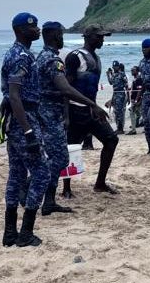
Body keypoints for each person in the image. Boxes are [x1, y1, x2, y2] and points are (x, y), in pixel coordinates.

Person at [36, 21, 109, 215]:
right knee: (59, 156)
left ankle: (49, 200)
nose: (63, 38)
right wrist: (88, 107)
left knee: (60, 156)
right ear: (54, 36)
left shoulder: (50, 57)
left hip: (62, 113)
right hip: (57, 115)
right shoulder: (56, 59)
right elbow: (66, 89)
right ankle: (35, 189)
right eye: (61, 34)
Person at [1, 12, 49, 247]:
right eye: (33, 27)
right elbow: (14, 95)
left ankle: (10, 232)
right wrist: (29, 131)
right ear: (20, 30)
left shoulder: (17, 53)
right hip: (24, 119)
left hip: (17, 120)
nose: (37, 30)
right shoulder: (21, 56)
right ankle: (26, 232)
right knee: (42, 173)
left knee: (17, 174)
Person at [63, 24, 119, 196]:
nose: (102, 39)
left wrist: (94, 106)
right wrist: (66, 115)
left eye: (103, 37)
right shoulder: (75, 57)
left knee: (111, 140)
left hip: (91, 111)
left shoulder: (97, 58)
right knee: (71, 147)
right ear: (87, 37)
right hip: (75, 111)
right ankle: (66, 188)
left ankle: (100, 183)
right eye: (98, 36)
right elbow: (66, 88)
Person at [107, 62, 129, 134]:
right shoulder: (113, 75)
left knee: (120, 111)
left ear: (118, 67)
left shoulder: (122, 74)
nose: (114, 68)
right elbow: (111, 83)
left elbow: (126, 85)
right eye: (113, 66)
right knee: (116, 111)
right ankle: (118, 128)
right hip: (115, 93)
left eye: (115, 66)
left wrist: (128, 96)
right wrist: (108, 75)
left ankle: (120, 129)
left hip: (121, 93)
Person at [128, 65, 142, 135]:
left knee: (132, 113)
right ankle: (137, 124)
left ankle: (133, 129)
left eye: (133, 70)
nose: (132, 71)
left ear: (137, 71)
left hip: (137, 100)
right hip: (134, 99)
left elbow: (139, 90)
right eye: (131, 70)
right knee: (138, 113)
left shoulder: (138, 79)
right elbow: (135, 89)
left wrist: (137, 100)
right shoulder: (135, 79)